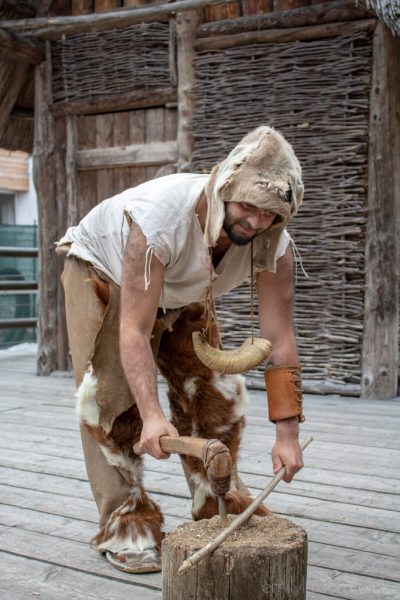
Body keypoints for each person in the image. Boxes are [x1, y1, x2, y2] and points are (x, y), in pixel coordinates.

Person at [57, 125, 305, 574]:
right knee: (113, 402)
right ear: (224, 185)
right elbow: (133, 331)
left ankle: (217, 498)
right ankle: (125, 520)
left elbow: (280, 339)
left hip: (181, 285)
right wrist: (152, 413)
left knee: (211, 393)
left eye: (270, 214)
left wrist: (287, 433)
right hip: (105, 268)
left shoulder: (274, 240)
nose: (255, 223)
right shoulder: (159, 221)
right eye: (247, 206)